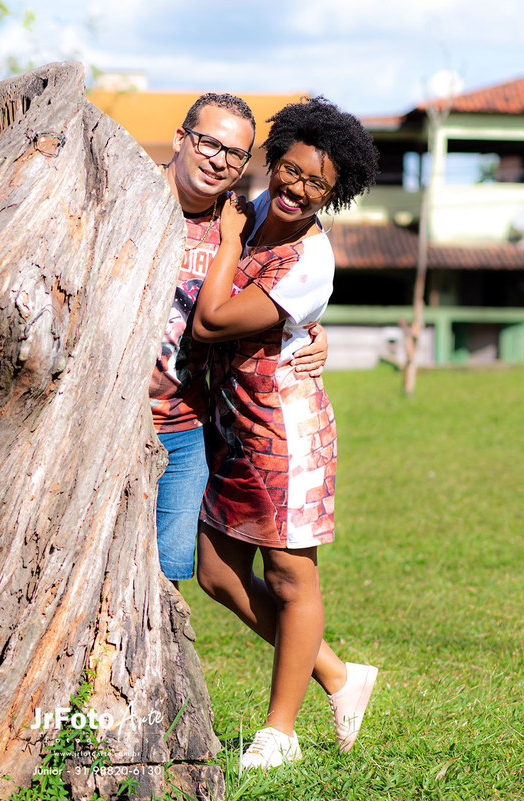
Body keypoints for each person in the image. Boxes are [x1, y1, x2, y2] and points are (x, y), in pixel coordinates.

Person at [191, 97, 380, 768]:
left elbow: (211, 322)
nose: (298, 189)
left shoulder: (308, 259)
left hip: (284, 429)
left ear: (335, 193)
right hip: (232, 428)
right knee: (216, 572)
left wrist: (231, 242)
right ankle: (337, 674)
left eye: (317, 184)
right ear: (275, 159)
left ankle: (281, 732)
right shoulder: (253, 209)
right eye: (292, 170)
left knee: (291, 578)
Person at [152, 93, 328, 588]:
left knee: (165, 579)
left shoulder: (238, 223)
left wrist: (312, 330)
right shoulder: (125, 200)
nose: (219, 161)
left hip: (184, 428)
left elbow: (278, 288)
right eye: (209, 144)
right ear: (180, 139)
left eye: (235, 154)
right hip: (107, 421)